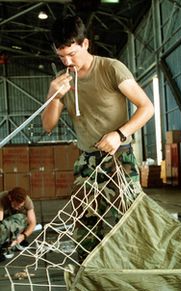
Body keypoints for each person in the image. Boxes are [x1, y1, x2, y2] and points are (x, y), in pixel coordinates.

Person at [41, 15, 154, 259]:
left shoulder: (111, 68)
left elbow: (147, 108)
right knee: (85, 229)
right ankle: (91, 282)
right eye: (61, 57)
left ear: (85, 44)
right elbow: (48, 125)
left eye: (72, 53)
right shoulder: (63, 82)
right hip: (86, 163)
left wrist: (119, 134)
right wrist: (52, 94)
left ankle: (126, 282)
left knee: (125, 225)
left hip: (118, 159)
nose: (68, 61)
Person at [0, 187, 36, 261]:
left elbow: (33, 223)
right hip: (4, 221)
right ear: (10, 198)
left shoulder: (27, 201)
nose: (18, 207)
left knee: (22, 218)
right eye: (16, 205)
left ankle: (12, 239)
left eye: (21, 206)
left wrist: (23, 236)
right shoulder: (2, 198)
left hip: (15, 222)